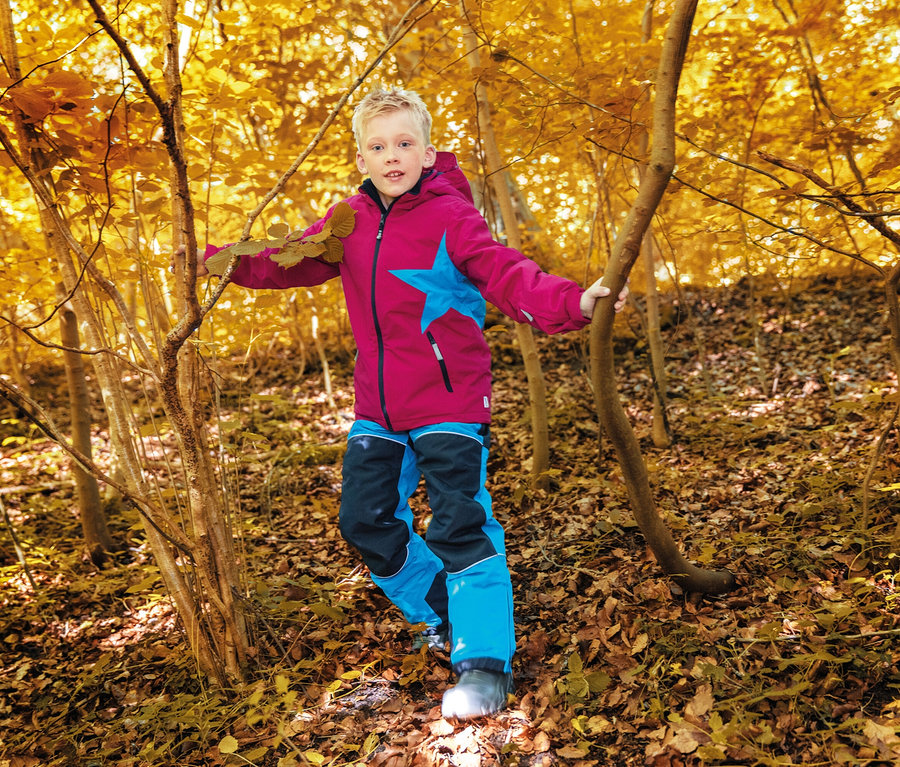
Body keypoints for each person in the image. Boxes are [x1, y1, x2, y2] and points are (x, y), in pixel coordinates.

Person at [200, 87, 626, 720]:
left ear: (427, 153)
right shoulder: (347, 220)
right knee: (365, 522)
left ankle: (483, 663)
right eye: (378, 146)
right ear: (361, 157)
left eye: (404, 144)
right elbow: (286, 261)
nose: (391, 155)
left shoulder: (451, 216)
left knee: (459, 524)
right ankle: (452, 611)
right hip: (378, 405)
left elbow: (504, 271)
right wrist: (214, 261)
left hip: (449, 397)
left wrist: (570, 301)